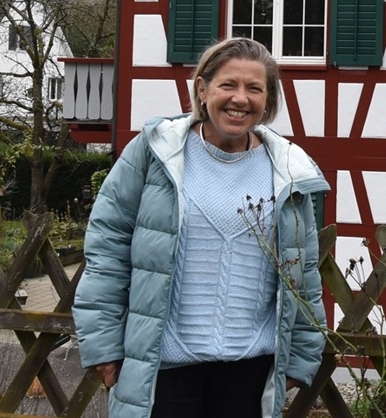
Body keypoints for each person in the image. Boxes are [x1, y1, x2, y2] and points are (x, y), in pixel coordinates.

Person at [74, 37, 330, 418]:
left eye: (254, 89)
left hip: (251, 371)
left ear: (268, 100)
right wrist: (103, 344)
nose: (240, 99)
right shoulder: (156, 152)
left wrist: (304, 354)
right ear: (202, 88)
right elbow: (107, 250)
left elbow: (303, 270)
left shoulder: (290, 172)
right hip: (164, 369)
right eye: (228, 84)